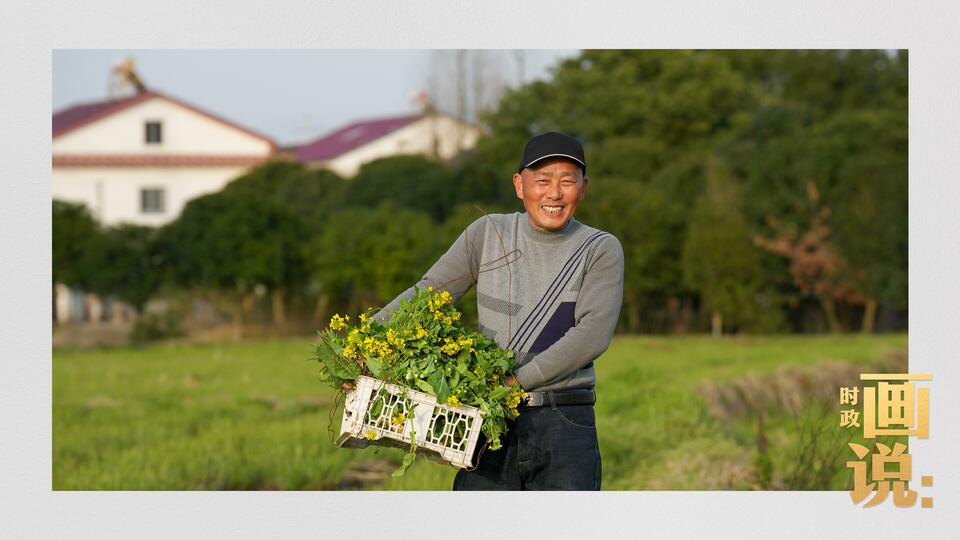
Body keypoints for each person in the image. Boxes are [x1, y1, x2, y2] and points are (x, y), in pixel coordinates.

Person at [374, 132, 624, 490]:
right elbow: (430, 292)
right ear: (519, 185)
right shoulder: (488, 232)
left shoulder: (599, 248)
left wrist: (514, 382)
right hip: (488, 421)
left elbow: (592, 335)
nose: (554, 193)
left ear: (583, 188)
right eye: (542, 181)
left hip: (564, 421)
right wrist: (369, 340)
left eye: (567, 181)